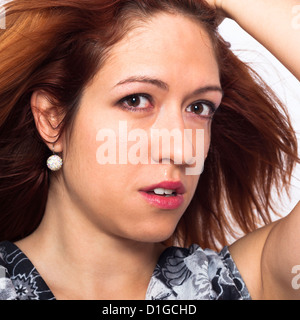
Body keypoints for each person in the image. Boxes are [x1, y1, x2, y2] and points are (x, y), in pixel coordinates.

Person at [0, 0, 299, 300]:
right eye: (136, 100)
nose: (183, 151)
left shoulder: (236, 285)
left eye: (199, 107)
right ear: (52, 118)